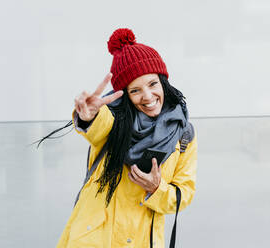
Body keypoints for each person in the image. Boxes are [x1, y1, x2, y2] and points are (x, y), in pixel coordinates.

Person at [53, 28, 197, 248]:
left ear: (163, 82)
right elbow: (98, 126)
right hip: (95, 240)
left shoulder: (183, 132)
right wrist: (88, 116)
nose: (148, 97)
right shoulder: (114, 120)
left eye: (152, 84)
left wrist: (156, 189)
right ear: (126, 96)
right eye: (135, 90)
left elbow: (183, 195)